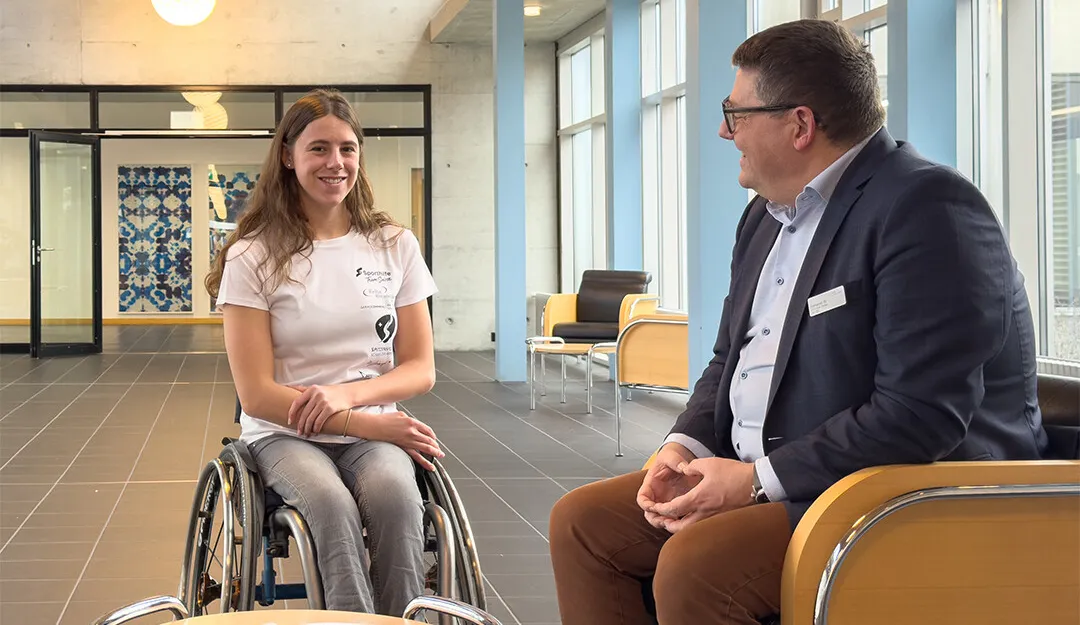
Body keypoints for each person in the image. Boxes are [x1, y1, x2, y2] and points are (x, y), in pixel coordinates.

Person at [549, 19, 1048, 625]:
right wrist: (680, 447)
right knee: (581, 524)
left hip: (894, 500)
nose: (722, 130)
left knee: (696, 566)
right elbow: (727, 361)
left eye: (735, 114)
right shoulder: (764, 217)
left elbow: (919, 416)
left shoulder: (927, 210)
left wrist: (755, 482)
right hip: (773, 481)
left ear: (800, 125)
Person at [205, 88, 443, 616]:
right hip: (287, 434)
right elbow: (257, 394)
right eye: (319, 148)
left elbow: (420, 368)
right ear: (288, 156)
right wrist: (363, 422)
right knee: (331, 507)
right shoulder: (253, 255)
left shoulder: (394, 244)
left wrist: (345, 399)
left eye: (347, 148)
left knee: (398, 500)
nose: (335, 162)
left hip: (373, 426)